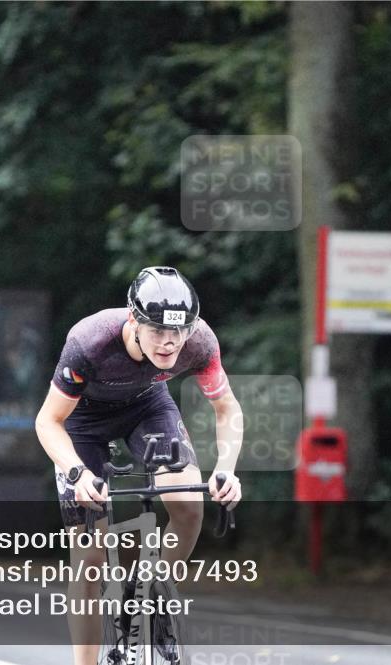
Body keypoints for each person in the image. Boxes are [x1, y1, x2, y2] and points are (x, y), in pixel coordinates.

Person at [35, 266, 243, 665]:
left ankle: (151, 596)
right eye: (158, 331)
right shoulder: (91, 341)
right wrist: (77, 473)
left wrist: (226, 468)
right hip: (82, 420)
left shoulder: (199, 341)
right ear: (134, 320)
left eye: (178, 331)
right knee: (90, 557)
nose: (169, 342)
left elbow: (226, 408)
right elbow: (48, 421)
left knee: (188, 506)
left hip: (147, 406)